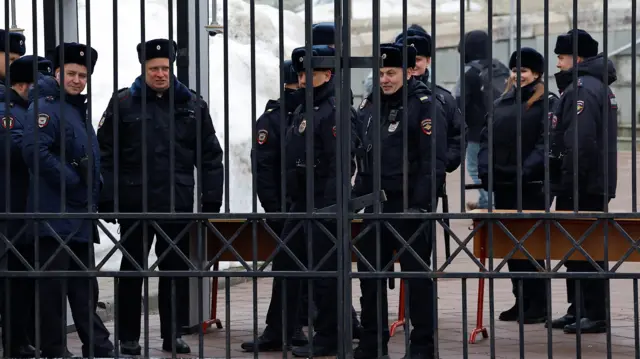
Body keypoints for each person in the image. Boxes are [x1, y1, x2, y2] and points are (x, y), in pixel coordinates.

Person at [97, 38, 224, 355]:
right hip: (134, 203)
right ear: (144, 68)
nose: (160, 74)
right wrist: (107, 198)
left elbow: (210, 155)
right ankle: (128, 338)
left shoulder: (191, 104)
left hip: (175, 203)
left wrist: (210, 200)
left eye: (165, 68)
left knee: (174, 273)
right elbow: (106, 154)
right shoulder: (124, 103)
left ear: (172, 68)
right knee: (132, 271)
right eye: (154, 68)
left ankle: (172, 334)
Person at [352, 43, 447, 359]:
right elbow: (363, 156)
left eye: (391, 72)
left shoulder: (424, 104)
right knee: (370, 278)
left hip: (409, 205)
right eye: (380, 73)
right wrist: (356, 200)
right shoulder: (371, 104)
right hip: (374, 205)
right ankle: (372, 344)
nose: (385, 79)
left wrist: (420, 206)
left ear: (409, 71)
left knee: (417, 281)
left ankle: (422, 348)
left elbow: (432, 161)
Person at [20, 42, 114, 358]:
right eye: (71, 73)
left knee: (85, 288)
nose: (77, 80)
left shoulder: (74, 108)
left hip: (78, 216)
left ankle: (97, 346)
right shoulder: (46, 107)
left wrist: (96, 185)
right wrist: (75, 181)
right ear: (58, 73)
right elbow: (35, 151)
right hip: (53, 216)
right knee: (53, 292)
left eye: (83, 75)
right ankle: (54, 349)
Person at [477, 47, 558, 324]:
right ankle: (521, 298)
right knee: (512, 245)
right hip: (505, 183)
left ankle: (538, 303)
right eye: (515, 70)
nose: (518, 75)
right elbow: (486, 137)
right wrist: (486, 169)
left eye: (523, 70)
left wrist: (525, 171)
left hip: (532, 184)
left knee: (531, 244)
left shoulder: (546, 102)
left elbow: (546, 142)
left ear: (536, 73)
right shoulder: (503, 101)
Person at [547, 29, 617, 334]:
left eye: (561, 58)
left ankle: (595, 313)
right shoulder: (590, 85)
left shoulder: (583, 88)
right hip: (589, 179)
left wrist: (568, 178)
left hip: (583, 182)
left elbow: (581, 140)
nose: (558, 64)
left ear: (576, 58)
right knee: (574, 250)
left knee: (585, 250)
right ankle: (579, 309)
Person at [246, 59, 308, 351]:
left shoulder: (321, 112)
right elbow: (264, 170)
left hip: (314, 205)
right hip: (285, 208)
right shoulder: (272, 119)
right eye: (297, 82)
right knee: (289, 267)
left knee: (314, 267)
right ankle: (283, 328)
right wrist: (275, 208)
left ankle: (304, 325)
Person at [0, 31, 39, 358]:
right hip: (8, 203)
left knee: (22, 276)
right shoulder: (7, 108)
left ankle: (21, 338)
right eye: (9, 60)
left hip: (23, 204)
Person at [394, 27, 463, 174]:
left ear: (428, 61)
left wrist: (442, 163)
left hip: (428, 180)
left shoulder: (442, 97)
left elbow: (459, 134)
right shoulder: (384, 96)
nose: (413, 64)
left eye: (418, 59)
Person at [455, 30, 498, 211]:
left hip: (476, 132)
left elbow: (458, 103)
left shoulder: (469, 73)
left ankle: (490, 203)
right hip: (499, 127)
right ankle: (484, 201)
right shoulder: (498, 67)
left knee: (475, 167)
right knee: (494, 166)